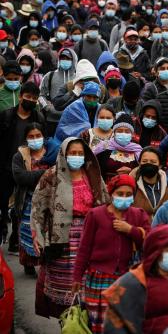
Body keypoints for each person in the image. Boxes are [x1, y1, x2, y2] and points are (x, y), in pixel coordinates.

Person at [31, 137, 109, 318]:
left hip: (90, 236)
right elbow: (37, 209)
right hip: (61, 240)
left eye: (80, 153)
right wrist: (39, 238)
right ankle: (68, 323)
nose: (76, 156)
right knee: (64, 287)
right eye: (72, 153)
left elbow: (105, 202)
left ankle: (84, 323)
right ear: (64, 155)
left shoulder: (92, 175)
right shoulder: (51, 175)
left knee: (87, 283)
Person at [72, 174, 151, 333]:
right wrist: (77, 277)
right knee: (99, 323)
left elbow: (150, 241)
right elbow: (84, 248)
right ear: (111, 193)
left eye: (128, 194)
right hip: (99, 277)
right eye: (120, 193)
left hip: (127, 277)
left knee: (123, 322)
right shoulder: (95, 215)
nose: (124, 197)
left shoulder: (139, 215)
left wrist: (131, 230)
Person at [0, 81, 45, 248]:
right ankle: (4, 229)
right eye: (28, 97)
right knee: (3, 202)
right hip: (5, 167)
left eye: (34, 98)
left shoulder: (38, 118)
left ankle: (15, 239)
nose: (31, 100)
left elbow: (43, 140)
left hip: (28, 168)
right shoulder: (6, 116)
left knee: (23, 205)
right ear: (20, 97)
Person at [11, 123, 53, 275]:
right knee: (28, 232)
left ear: (43, 136)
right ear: (26, 138)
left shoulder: (52, 153)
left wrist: (37, 176)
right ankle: (28, 264)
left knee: (47, 231)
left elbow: (59, 175)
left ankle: (45, 265)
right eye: (31, 137)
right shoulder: (20, 156)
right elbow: (21, 178)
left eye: (38, 136)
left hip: (49, 202)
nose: (35, 139)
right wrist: (45, 173)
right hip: (27, 201)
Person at [93, 113, 142, 181]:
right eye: (119, 131)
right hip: (106, 186)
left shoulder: (138, 150)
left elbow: (142, 171)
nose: (123, 133)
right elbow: (96, 169)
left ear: (132, 134)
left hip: (129, 187)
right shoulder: (104, 147)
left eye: (127, 131)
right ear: (114, 133)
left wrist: (132, 171)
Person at [130, 147, 168, 220]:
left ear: (160, 165)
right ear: (139, 163)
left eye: (153, 162)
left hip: (161, 229)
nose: (148, 164)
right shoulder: (131, 183)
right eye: (144, 161)